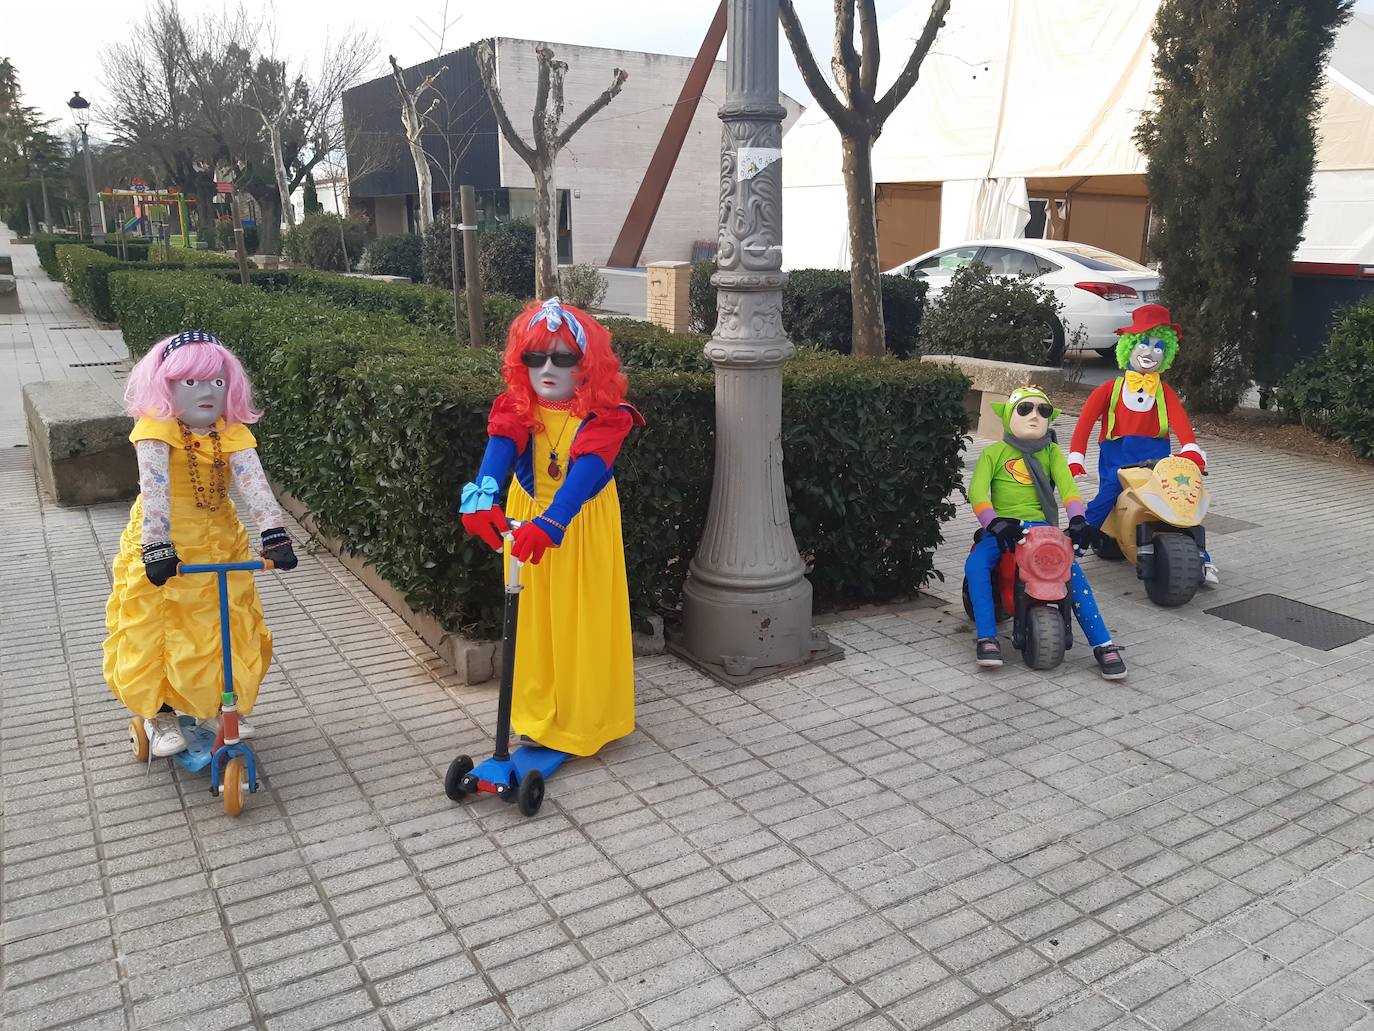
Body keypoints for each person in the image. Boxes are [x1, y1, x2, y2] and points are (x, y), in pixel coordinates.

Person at [459, 298, 643, 756]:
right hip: (527, 515)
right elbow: (500, 448)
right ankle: (536, 711)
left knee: (583, 616)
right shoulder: (519, 405)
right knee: (531, 614)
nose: (546, 368)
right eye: (535, 356)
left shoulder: (607, 414)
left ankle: (585, 719)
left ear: (588, 363)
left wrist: (553, 522)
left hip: (582, 523)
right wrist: (480, 499)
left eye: (563, 358)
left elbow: (587, 472)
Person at [104, 330, 297, 757]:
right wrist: (157, 547)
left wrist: (273, 533)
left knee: (220, 625)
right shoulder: (156, 430)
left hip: (221, 540)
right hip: (165, 543)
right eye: (190, 382)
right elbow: (154, 490)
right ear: (166, 386)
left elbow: (254, 483)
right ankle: (160, 714)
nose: (207, 393)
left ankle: (215, 706)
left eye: (217, 382)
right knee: (160, 628)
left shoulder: (230, 431)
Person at [965, 386, 1127, 680]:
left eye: (1043, 411)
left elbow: (1069, 489)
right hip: (1005, 528)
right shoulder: (993, 453)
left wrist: (1078, 521)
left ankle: (1103, 644)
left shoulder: (1051, 453)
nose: (1035, 416)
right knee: (976, 565)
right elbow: (977, 492)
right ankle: (987, 636)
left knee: (1073, 574)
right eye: (1025, 409)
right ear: (1009, 416)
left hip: (1042, 531)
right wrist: (994, 522)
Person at [1068, 303, 1217, 583]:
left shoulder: (1164, 391)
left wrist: (1190, 449)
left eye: (1159, 347)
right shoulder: (1109, 389)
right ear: (1129, 347)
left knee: (1178, 499)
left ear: (1167, 354)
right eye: (1143, 345)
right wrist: (1076, 456)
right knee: (1107, 495)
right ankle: (1074, 545)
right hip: (1118, 459)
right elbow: (1084, 423)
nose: (1150, 353)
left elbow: (1181, 422)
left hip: (1157, 460)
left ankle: (1201, 556)